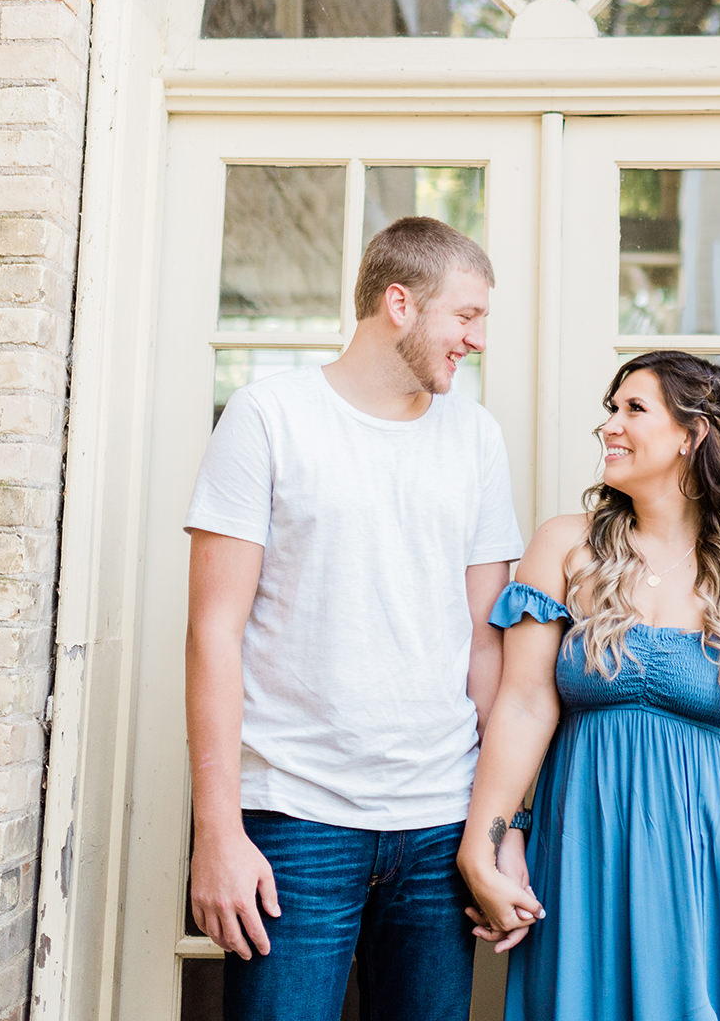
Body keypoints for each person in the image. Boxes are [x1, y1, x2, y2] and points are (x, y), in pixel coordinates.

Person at [184, 215, 532, 1021]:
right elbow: (212, 634)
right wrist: (217, 832)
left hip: (441, 822)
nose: (476, 340)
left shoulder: (476, 439)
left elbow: (488, 649)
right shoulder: (268, 416)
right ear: (401, 303)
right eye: (467, 316)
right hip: (296, 821)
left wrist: (499, 828)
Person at [458, 349, 720, 1021]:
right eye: (611, 409)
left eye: (633, 409)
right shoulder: (564, 547)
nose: (610, 425)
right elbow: (521, 706)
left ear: (693, 436)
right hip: (588, 852)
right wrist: (484, 843)